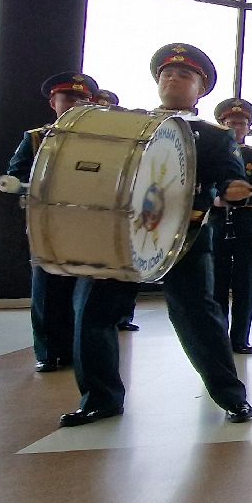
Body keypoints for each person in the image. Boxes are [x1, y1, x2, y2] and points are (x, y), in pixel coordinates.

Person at [57, 44, 252, 426]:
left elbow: (231, 176)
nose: (173, 79)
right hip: (120, 236)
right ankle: (100, 398)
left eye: (184, 76)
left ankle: (231, 397)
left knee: (199, 318)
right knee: (93, 312)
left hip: (182, 238)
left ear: (200, 89)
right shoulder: (131, 125)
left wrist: (231, 188)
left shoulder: (213, 137)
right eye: (166, 73)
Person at [8, 71, 96, 372]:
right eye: (68, 98)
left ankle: (76, 351)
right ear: (53, 102)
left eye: (83, 99)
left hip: (87, 223)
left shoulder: (101, 141)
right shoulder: (35, 139)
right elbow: (17, 175)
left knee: (84, 289)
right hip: (48, 222)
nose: (76, 104)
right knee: (46, 289)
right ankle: (48, 353)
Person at [210, 97, 252, 353]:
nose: (236, 127)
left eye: (241, 123)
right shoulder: (213, 155)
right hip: (217, 223)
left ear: (248, 127)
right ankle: (218, 337)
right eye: (231, 122)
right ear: (222, 124)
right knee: (218, 284)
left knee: (245, 284)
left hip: (247, 223)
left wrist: (242, 196)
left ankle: (240, 338)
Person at [91, 88, 142, 332]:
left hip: (122, 217)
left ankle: (124, 316)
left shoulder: (126, 142)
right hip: (87, 218)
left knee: (125, 274)